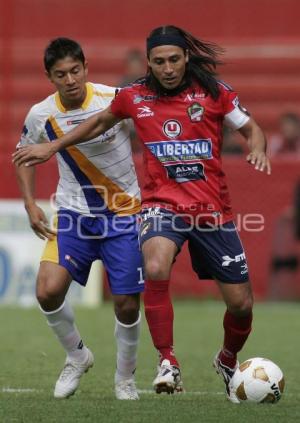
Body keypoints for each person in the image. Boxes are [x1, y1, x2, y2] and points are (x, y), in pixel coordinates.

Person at [13, 26, 272, 403]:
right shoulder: (128, 98)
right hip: (133, 208)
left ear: (186, 58)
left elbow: (252, 129)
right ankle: (154, 360)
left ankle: (218, 360)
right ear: (148, 63)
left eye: (173, 60)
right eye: (159, 61)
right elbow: (91, 126)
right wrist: (47, 160)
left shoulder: (207, 92)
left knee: (239, 304)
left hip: (194, 210)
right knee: (138, 270)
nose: (167, 68)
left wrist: (258, 147)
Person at [13, 37, 144, 400]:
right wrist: (29, 204)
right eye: (61, 74)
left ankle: (125, 379)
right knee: (47, 290)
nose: (70, 79)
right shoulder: (41, 114)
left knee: (127, 302)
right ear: (49, 77)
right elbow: (23, 156)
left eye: (75, 71)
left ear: (85, 68)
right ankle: (77, 355)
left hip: (124, 213)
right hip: (74, 214)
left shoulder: (113, 99)